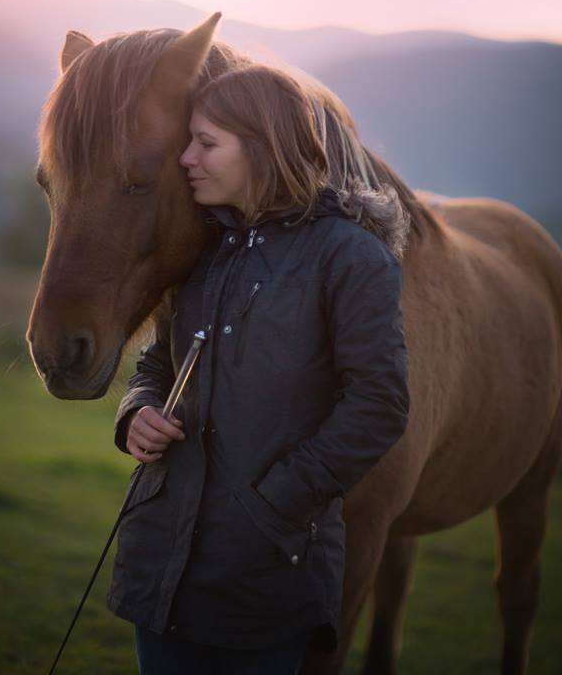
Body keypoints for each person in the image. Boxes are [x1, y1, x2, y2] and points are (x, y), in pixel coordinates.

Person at [107, 64, 410, 675]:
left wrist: (273, 503)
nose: (186, 157)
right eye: (188, 139)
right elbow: (158, 361)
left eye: (207, 142)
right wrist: (136, 411)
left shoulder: (351, 258)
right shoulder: (200, 247)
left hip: (268, 573)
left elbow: (379, 403)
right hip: (162, 562)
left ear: (264, 147)